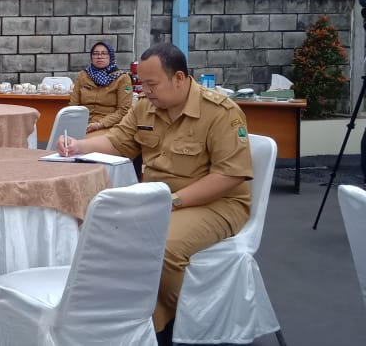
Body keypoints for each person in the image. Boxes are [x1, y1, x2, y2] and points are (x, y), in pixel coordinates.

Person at [56, 43, 253, 342]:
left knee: (163, 245)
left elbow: (229, 176)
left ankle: (187, 324)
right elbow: (120, 141)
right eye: (142, 84)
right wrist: (78, 147)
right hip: (161, 199)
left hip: (218, 202)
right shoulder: (146, 107)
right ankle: (141, 320)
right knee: (102, 231)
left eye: (152, 84)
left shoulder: (221, 112)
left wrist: (172, 202)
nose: (145, 91)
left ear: (179, 78)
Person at [68, 41, 133, 135]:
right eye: (95, 54)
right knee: (60, 141)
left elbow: (124, 110)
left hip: (109, 125)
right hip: (82, 123)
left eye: (104, 53)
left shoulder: (122, 78)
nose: (99, 56)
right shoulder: (84, 75)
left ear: (110, 56)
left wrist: (100, 124)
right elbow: (73, 104)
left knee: (85, 144)